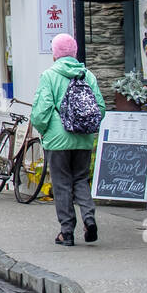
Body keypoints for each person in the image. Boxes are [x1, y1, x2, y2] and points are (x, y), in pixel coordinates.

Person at [31, 33, 105, 246]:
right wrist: (89, 128)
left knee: (62, 183)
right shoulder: (87, 75)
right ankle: (89, 218)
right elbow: (100, 107)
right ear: (75, 52)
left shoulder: (49, 75)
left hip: (57, 139)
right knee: (80, 178)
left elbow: (41, 111)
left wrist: (44, 130)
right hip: (83, 137)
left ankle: (67, 232)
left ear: (55, 54)